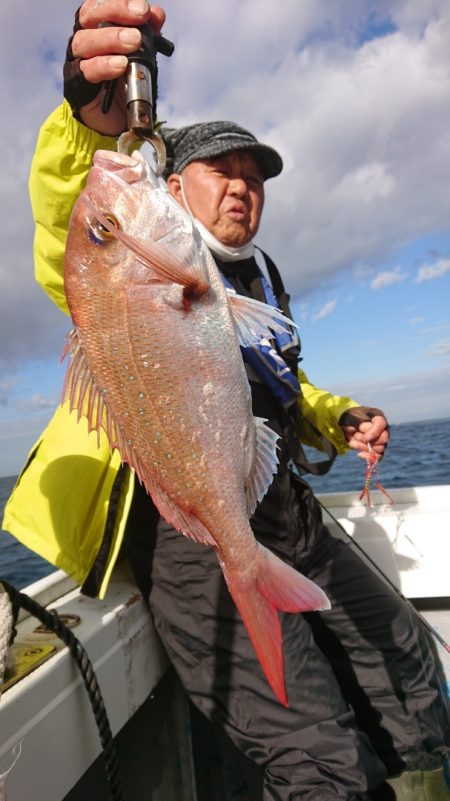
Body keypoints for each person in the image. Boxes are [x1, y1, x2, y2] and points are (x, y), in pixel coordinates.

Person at [4, 2, 450, 799]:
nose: (245, 188)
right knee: (320, 759)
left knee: (413, 667)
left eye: (255, 176)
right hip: (193, 533)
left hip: (279, 504)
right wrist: (91, 122)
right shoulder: (124, 256)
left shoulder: (255, 277)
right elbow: (73, 223)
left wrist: (339, 415)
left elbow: (283, 383)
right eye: (224, 171)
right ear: (171, 183)